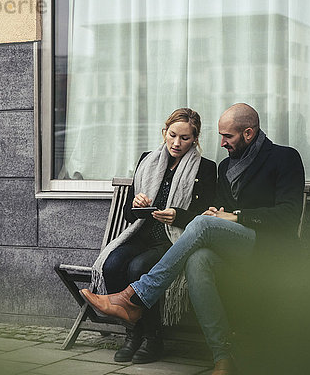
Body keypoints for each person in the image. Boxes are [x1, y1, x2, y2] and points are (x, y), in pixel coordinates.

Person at [81, 103, 305, 374]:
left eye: (228, 136)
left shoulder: (285, 158)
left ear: (248, 133)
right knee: (197, 260)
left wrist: (236, 216)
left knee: (200, 224)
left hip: (270, 247)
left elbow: (289, 216)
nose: (221, 142)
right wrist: (218, 213)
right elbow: (218, 209)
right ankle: (222, 356)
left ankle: (134, 297)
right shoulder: (226, 166)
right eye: (221, 136)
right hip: (233, 247)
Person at [88, 108, 216, 364]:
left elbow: (207, 218)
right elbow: (128, 213)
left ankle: (153, 340)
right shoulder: (148, 160)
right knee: (112, 264)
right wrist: (137, 203)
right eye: (172, 135)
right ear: (164, 132)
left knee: (138, 268)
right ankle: (133, 335)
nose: (177, 143)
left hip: (173, 240)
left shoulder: (206, 168)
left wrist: (178, 215)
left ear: (196, 139)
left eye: (185, 138)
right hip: (142, 234)